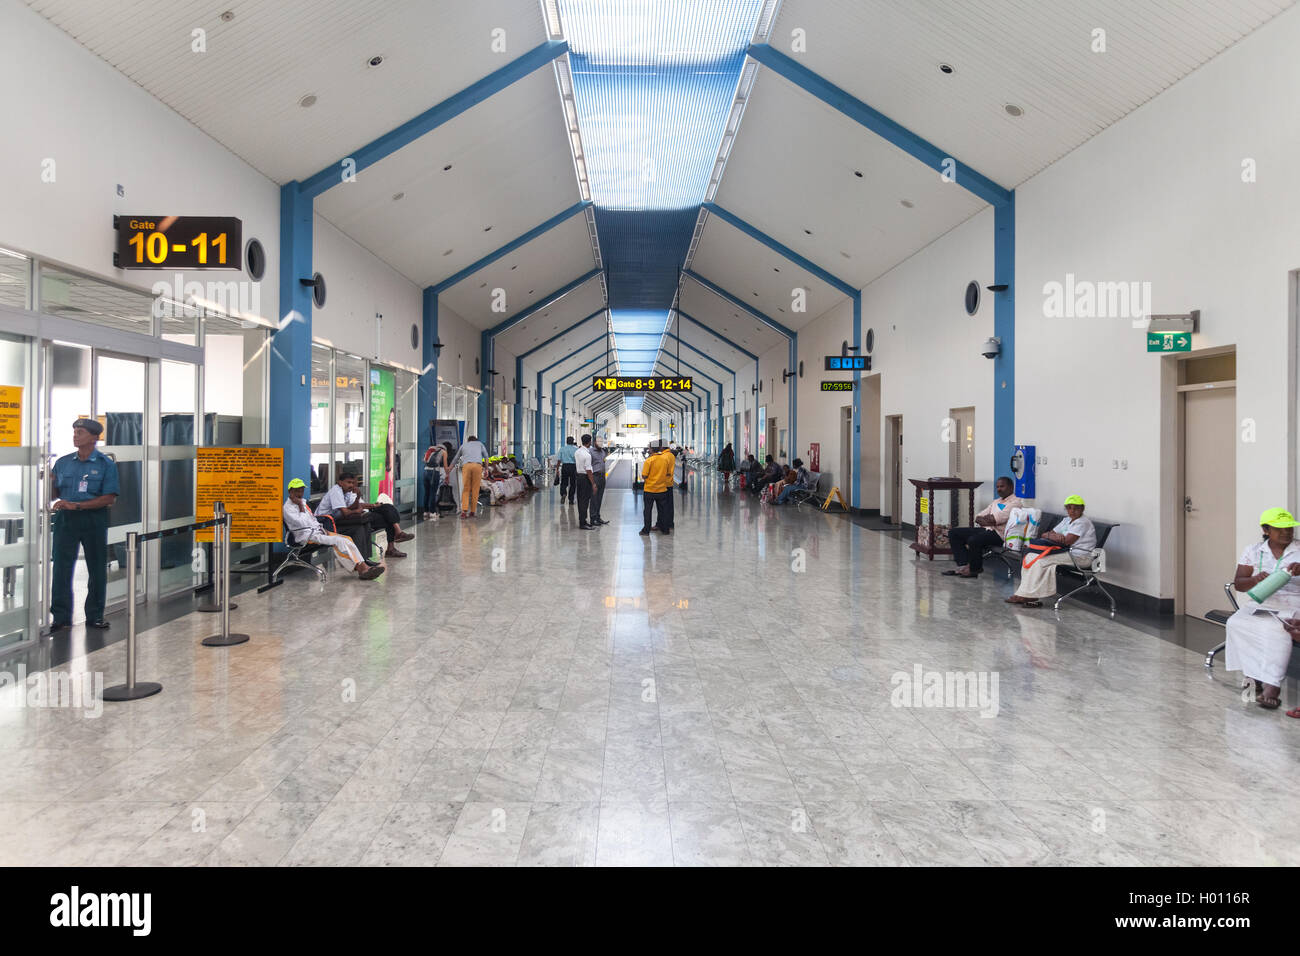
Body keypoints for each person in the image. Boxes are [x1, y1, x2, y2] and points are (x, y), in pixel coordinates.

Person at [1225, 507, 1300, 710]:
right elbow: (1239, 583)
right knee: (1236, 624)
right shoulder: (1253, 550)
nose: (1287, 532)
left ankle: (1272, 686)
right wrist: (1255, 579)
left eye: (1289, 528)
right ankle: (1252, 676)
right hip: (1261, 601)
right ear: (1266, 530)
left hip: (1292, 602)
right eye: (1280, 528)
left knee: (1275, 630)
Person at [49, 418, 119, 631]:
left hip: (93, 520)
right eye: (74, 432)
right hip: (65, 520)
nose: (75, 436)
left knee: (97, 568)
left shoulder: (105, 464)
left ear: (94, 437)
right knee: (61, 569)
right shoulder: (63, 462)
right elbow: (55, 493)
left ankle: (95, 616)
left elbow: (109, 498)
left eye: (80, 432)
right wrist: (47, 484)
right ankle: (60, 618)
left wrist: (77, 506)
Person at [1006, 494, 1096, 608]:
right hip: (1065, 553)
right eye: (1069, 508)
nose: (1072, 511)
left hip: (1080, 557)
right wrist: (1053, 535)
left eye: (1076, 508)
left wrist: (1053, 536)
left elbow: (1067, 541)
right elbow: (1045, 534)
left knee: (1040, 561)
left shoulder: (1083, 522)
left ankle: (1032, 596)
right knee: (1030, 557)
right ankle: (1022, 593)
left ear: (1082, 509)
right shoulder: (1067, 520)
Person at [284, 478, 384, 580]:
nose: (299, 493)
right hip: (306, 536)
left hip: (318, 532)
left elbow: (312, 520)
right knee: (339, 541)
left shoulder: (303, 503)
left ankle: (363, 567)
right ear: (290, 492)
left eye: (301, 491)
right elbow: (302, 524)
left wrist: (322, 528)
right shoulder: (288, 508)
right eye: (296, 491)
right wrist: (301, 507)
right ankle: (362, 569)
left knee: (347, 539)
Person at [318, 472, 412, 559]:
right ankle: (365, 559)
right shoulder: (336, 491)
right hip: (327, 523)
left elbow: (355, 506)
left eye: (353, 483)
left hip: (344, 518)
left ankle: (394, 541)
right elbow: (346, 512)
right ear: (340, 482)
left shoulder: (348, 492)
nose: (351, 485)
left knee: (387, 509)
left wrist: (359, 497)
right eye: (348, 482)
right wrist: (357, 511)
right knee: (367, 522)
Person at [943, 477, 1024, 577]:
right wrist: (988, 520)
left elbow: (996, 519)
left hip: (1000, 535)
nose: (999, 489)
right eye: (997, 487)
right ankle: (963, 566)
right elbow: (978, 517)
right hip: (988, 529)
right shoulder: (996, 501)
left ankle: (974, 570)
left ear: (1011, 487)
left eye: (1002, 486)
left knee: (974, 540)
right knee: (954, 533)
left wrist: (990, 520)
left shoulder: (1015, 503)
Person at [449, 434, 489, 518]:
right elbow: (486, 456)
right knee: (475, 489)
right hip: (477, 466)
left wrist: (449, 468)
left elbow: (456, 458)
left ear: (468, 440)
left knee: (466, 489)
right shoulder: (480, 444)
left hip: (466, 466)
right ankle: (473, 512)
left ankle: (464, 511)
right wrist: (486, 469)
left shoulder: (464, 445)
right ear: (476, 440)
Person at [640, 441, 674, 535]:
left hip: (650, 490)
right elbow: (668, 473)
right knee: (663, 510)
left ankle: (646, 530)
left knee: (647, 511)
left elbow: (644, 475)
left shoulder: (649, 460)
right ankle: (665, 529)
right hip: (662, 490)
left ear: (651, 449)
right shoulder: (664, 459)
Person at [574, 434, 598, 530]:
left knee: (580, 500)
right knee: (585, 501)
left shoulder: (577, 452)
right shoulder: (587, 455)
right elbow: (588, 470)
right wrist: (593, 484)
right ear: (589, 442)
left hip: (578, 477)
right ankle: (582, 523)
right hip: (585, 478)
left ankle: (583, 521)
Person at [421, 439, 448, 520]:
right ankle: (432, 512)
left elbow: (424, 460)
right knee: (433, 492)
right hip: (434, 472)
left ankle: (425, 512)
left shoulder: (430, 450)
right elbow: (446, 466)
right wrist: (448, 473)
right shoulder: (443, 452)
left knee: (427, 492)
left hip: (425, 471)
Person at [589, 437, 608, 525]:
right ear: (595, 442)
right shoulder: (591, 452)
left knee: (600, 498)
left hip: (602, 477)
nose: (600, 443)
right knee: (594, 498)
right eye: (599, 442)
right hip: (595, 476)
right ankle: (593, 519)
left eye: (602, 442)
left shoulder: (603, 452)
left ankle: (598, 517)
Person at [558, 436, 578, 504]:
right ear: (573, 442)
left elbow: (559, 460)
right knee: (572, 483)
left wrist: (557, 469)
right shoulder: (576, 449)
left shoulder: (562, 449)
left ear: (566, 441)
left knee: (564, 482)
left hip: (565, 466)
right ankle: (571, 499)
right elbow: (577, 460)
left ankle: (563, 493)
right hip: (573, 467)